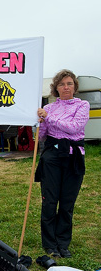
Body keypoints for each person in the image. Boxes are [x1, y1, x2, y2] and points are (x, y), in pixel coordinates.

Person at [36, 69, 90, 258]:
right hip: (52, 157)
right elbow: (42, 136)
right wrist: (41, 122)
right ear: (55, 88)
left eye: (69, 83)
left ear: (74, 87)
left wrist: (49, 119)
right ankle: (50, 244)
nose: (66, 87)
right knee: (49, 201)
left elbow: (75, 128)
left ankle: (63, 242)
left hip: (73, 156)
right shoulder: (48, 108)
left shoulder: (83, 105)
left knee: (67, 203)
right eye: (61, 84)